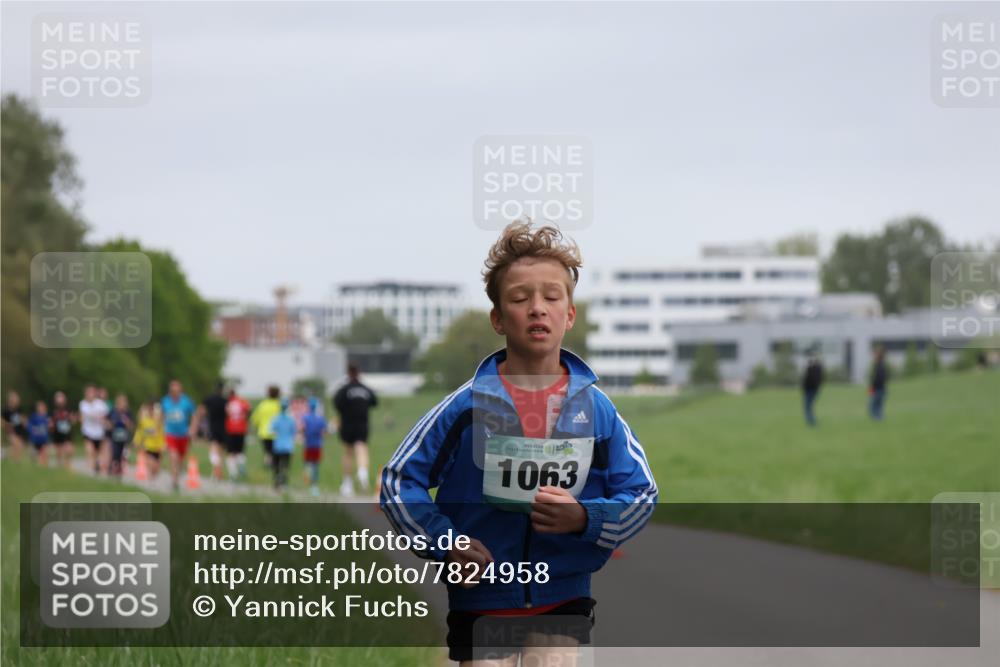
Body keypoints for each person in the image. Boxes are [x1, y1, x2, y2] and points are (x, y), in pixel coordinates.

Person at [380, 221, 658, 666]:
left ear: (569, 315)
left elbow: (642, 494)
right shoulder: (464, 408)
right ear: (497, 318)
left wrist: (584, 517)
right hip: (481, 600)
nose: (537, 309)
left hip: (563, 595)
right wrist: (447, 543)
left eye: (551, 296)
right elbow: (397, 484)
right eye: (519, 298)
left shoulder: (598, 410)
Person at [333, 365, 378, 497]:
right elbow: (374, 402)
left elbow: (336, 404)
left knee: (348, 451)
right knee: (361, 448)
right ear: (359, 373)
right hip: (362, 424)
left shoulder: (344, 389)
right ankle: (362, 473)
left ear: (348, 374)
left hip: (347, 423)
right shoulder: (365, 389)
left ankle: (347, 483)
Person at [160, 379, 198, 492]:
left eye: (177, 390)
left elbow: (194, 416)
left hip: (183, 434)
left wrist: (193, 428)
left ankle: (177, 474)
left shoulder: (187, 401)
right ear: (170, 391)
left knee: (181, 459)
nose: (175, 392)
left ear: (181, 391)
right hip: (170, 433)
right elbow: (162, 415)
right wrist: (162, 427)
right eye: (173, 390)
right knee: (173, 456)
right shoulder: (165, 401)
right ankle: (174, 481)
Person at [195, 382, 229, 481]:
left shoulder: (209, 399)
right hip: (223, 428)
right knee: (220, 452)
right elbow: (228, 413)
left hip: (213, 427)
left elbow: (201, 411)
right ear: (222, 391)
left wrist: (199, 421)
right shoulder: (225, 401)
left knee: (214, 450)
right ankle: (218, 473)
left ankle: (217, 471)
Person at [79, 384, 109, 474]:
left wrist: (101, 419)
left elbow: (105, 417)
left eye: (92, 392)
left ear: (95, 393)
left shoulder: (101, 404)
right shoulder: (82, 404)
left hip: (99, 432)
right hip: (87, 431)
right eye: (88, 392)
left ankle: (97, 465)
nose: (90, 394)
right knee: (90, 450)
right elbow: (81, 417)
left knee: (98, 452)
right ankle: (91, 471)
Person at [301, 401, 329, 496]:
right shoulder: (320, 419)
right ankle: (314, 486)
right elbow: (325, 432)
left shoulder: (305, 418)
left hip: (308, 444)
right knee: (315, 465)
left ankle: (307, 480)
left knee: (307, 463)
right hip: (317, 444)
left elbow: (302, 429)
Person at [250, 385, 282, 467]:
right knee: (275, 451)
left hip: (264, 432)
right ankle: (273, 463)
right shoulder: (280, 405)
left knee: (268, 450)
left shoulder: (262, 405)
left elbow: (255, 419)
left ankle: (268, 460)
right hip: (277, 434)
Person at [269, 399, 297, 491]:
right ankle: (284, 482)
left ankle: (277, 482)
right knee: (285, 465)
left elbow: (271, 430)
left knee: (276, 465)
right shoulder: (291, 419)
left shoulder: (276, 418)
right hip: (288, 445)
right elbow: (294, 432)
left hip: (278, 445)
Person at [224, 388, 251, 480]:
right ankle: (241, 465)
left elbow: (225, 414)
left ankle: (233, 473)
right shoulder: (242, 402)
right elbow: (249, 411)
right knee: (240, 451)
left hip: (230, 429)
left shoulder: (227, 403)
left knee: (231, 452)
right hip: (241, 429)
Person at [134, 400, 165, 479]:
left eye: (153, 410)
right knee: (151, 463)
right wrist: (136, 441)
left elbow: (163, 433)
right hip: (148, 445)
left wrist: (164, 444)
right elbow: (139, 432)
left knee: (156, 468)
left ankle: (153, 476)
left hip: (158, 446)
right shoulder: (144, 421)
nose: (151, 412)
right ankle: (150, 478)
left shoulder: (159, 422)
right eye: (149, 410)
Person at [106, 394, 134, 477]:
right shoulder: (113, 411)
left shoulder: (128, 413)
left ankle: (119, 469)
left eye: (124, 402)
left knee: (123, 454)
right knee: (115, 453)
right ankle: (112, 467)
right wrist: (110, 425)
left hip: (124, 437)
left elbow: (132, 425)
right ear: (117, 403)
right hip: (114, 437)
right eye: (121, 402)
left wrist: (128, 423)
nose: (123, 404)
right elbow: (106, 421)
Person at [50, 391, 76, 468]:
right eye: (58, 397)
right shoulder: (53, 411)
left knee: (70, 450)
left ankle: (67, 464)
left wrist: (73, 419)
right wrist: (51, 426)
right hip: (57, 433)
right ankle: (59, 465)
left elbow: (73, 420)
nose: (60, 399)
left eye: (61, 397)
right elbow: (51, 423)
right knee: (59, 451)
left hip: (67, 433)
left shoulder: (68, 409)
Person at [2, 390, 27, 460]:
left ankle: (15, 461)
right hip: (11, 432)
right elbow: (2, 421)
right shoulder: (6, 410)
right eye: (15, 398)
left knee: (20, 447)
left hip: (19, 431)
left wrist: (24, 421)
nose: (17, 400)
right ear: (11, 399)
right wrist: (8, 425)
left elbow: (22, 418)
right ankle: (3, 454)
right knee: (17, 445)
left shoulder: (19, 409)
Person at [801, 353, 824, 427]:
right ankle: (811, 421)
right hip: (813, 390)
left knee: (808, 407)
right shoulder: (818, 369)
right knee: (809, 406)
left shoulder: (812, 369)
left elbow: (808, 380)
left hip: (810, 390)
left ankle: (811, 422)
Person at [27, 400, 52, 465]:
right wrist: (33, 430)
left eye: (42, 407)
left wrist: (50, 425)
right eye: (40, 407)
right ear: (37, 408)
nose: (41, 408)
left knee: (45, 454)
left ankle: (44, 467)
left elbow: (50, 426)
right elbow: (29, 425)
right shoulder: (34, 416)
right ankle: (38, 466)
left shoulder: (47, 416)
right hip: (36, 439)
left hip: (44, 439)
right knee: (35, 456)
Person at [869, 346, 889, 421]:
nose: (873, 356)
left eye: (875, 354)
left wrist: (873, 387)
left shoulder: (880, 366)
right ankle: (879, 420)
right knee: (878, 407)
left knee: (874, 407)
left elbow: (879, 378)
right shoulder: (880, 365)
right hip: (881, 389)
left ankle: (878, 420)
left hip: (879, 389)